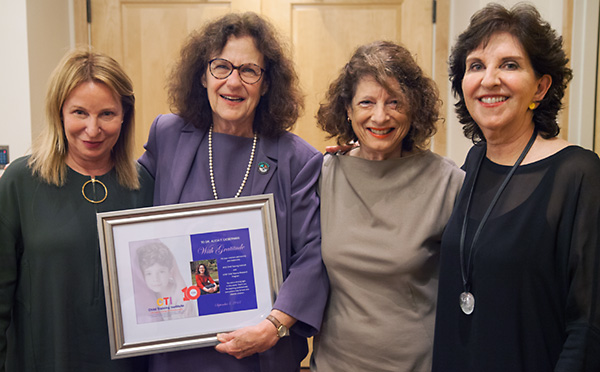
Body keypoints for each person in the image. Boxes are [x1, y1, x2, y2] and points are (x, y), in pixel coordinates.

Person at [138, 12, 328, 372]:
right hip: (178, 353)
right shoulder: (167, 135)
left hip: (259, 353)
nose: (233, 82)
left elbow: (313, 255)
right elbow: (128, 207)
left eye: (249, 71)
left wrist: (274, 326)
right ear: (203, 75)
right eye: (221, 66)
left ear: (267, 83)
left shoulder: (297, 159)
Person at [432, 3, 600, 371]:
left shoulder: (578, 174)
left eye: (509, 64)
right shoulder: (474, 164)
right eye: (476, 66)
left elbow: (587, 325)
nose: (489, 79)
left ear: (541, 86)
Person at [310, 41, 464, 372]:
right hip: (334, 365)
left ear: (414, 110)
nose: (380, 116)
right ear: (348, 111)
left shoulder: (447, 182)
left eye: (395, 102)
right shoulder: (323, 175)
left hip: (419, 365)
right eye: (367, 102)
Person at [0, 48, 154, 371]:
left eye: (107, 114)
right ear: (59, 113)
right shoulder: (20, 182)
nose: (93, 129)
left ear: (125, 115)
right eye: (80, 113)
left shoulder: (145, 186)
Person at [133, 240, 197, 323]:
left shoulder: (181, 299)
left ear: (170, 272)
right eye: (149, 273)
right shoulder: (147, 297)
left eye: (161, 272)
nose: (155, 279)